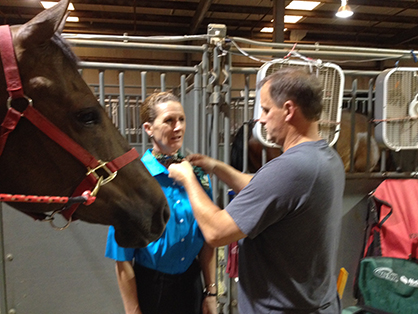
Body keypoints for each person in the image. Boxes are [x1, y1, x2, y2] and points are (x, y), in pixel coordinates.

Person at [168, 68, 345, 314]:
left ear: (289, 110)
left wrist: (188, 179)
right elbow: (265, 191)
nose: (260, 119)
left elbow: (216, 232)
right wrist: (217, 167)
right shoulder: (326, 158)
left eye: (265, 109)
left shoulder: (290, 168)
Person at [105, 91, 217, 314]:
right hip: (152, 288)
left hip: (192, 283)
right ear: (148, 128)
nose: (178, 128)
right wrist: (133, 310)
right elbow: (122, 258)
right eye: (169, 121)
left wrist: (211, 292)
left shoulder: (198, 176)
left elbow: (208, 239)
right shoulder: (135, 181)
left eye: (181, 119)